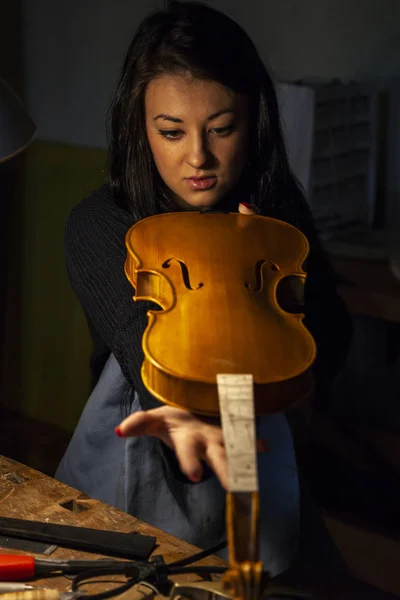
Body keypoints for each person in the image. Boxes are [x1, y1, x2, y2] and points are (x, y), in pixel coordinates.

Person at [56, 1, 352, 578]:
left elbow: (333, 340)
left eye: (221, 128)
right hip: (138, 443)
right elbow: (133, 330)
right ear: (139, 128)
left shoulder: (277, 216)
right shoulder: (101, 221)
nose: (199, 157)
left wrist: (270, 289)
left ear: (254, 119)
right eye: (171, 132)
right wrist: (175, 411)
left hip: (258, 456)